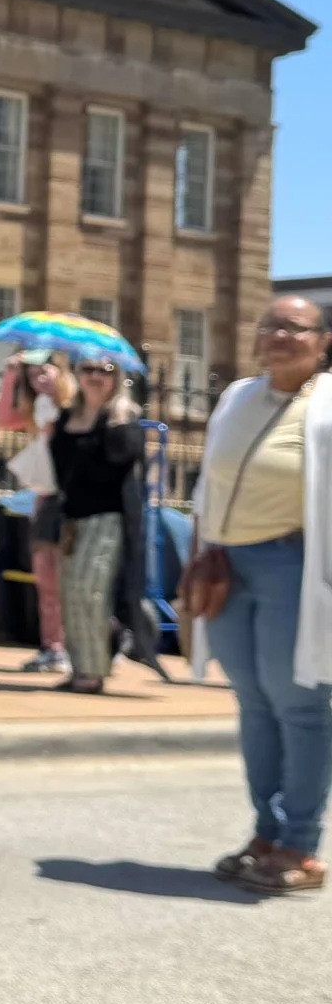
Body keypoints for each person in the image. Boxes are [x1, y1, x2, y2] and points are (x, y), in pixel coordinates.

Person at [195, 294, 332, 895]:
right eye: (269, 324)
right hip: (228, 565)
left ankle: (301, 845)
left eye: (295, 328)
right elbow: (208, 481)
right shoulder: (237, 395)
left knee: (299, 705)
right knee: (252, 699)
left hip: (293, 566)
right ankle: (266, 832)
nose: (279, 335)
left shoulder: (327, 406)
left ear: (322, 341)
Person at [48, 357, 144, 694]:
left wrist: (113, 427)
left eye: (105, 371)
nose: (96, 377)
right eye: (88, 370)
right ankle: (80, 666)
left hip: (109, 517)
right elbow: (59, 469)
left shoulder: (123, 418)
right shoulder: (66, 418)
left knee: (90, 591)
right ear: (78, 375)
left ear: (117, 378)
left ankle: (93, 670)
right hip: (74, 517)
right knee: (70, 591)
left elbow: (121, 463)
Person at [0, 352, 75, 674]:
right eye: (32, 376)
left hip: (71, 497)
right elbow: (4, 420)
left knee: (68, 575)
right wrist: (9, 379)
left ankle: (76, 644)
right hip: (45, 495)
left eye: (44, 372)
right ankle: (51, 646)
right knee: (44, 573)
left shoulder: (74, 407)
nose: (39, 379)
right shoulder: (38, 407)